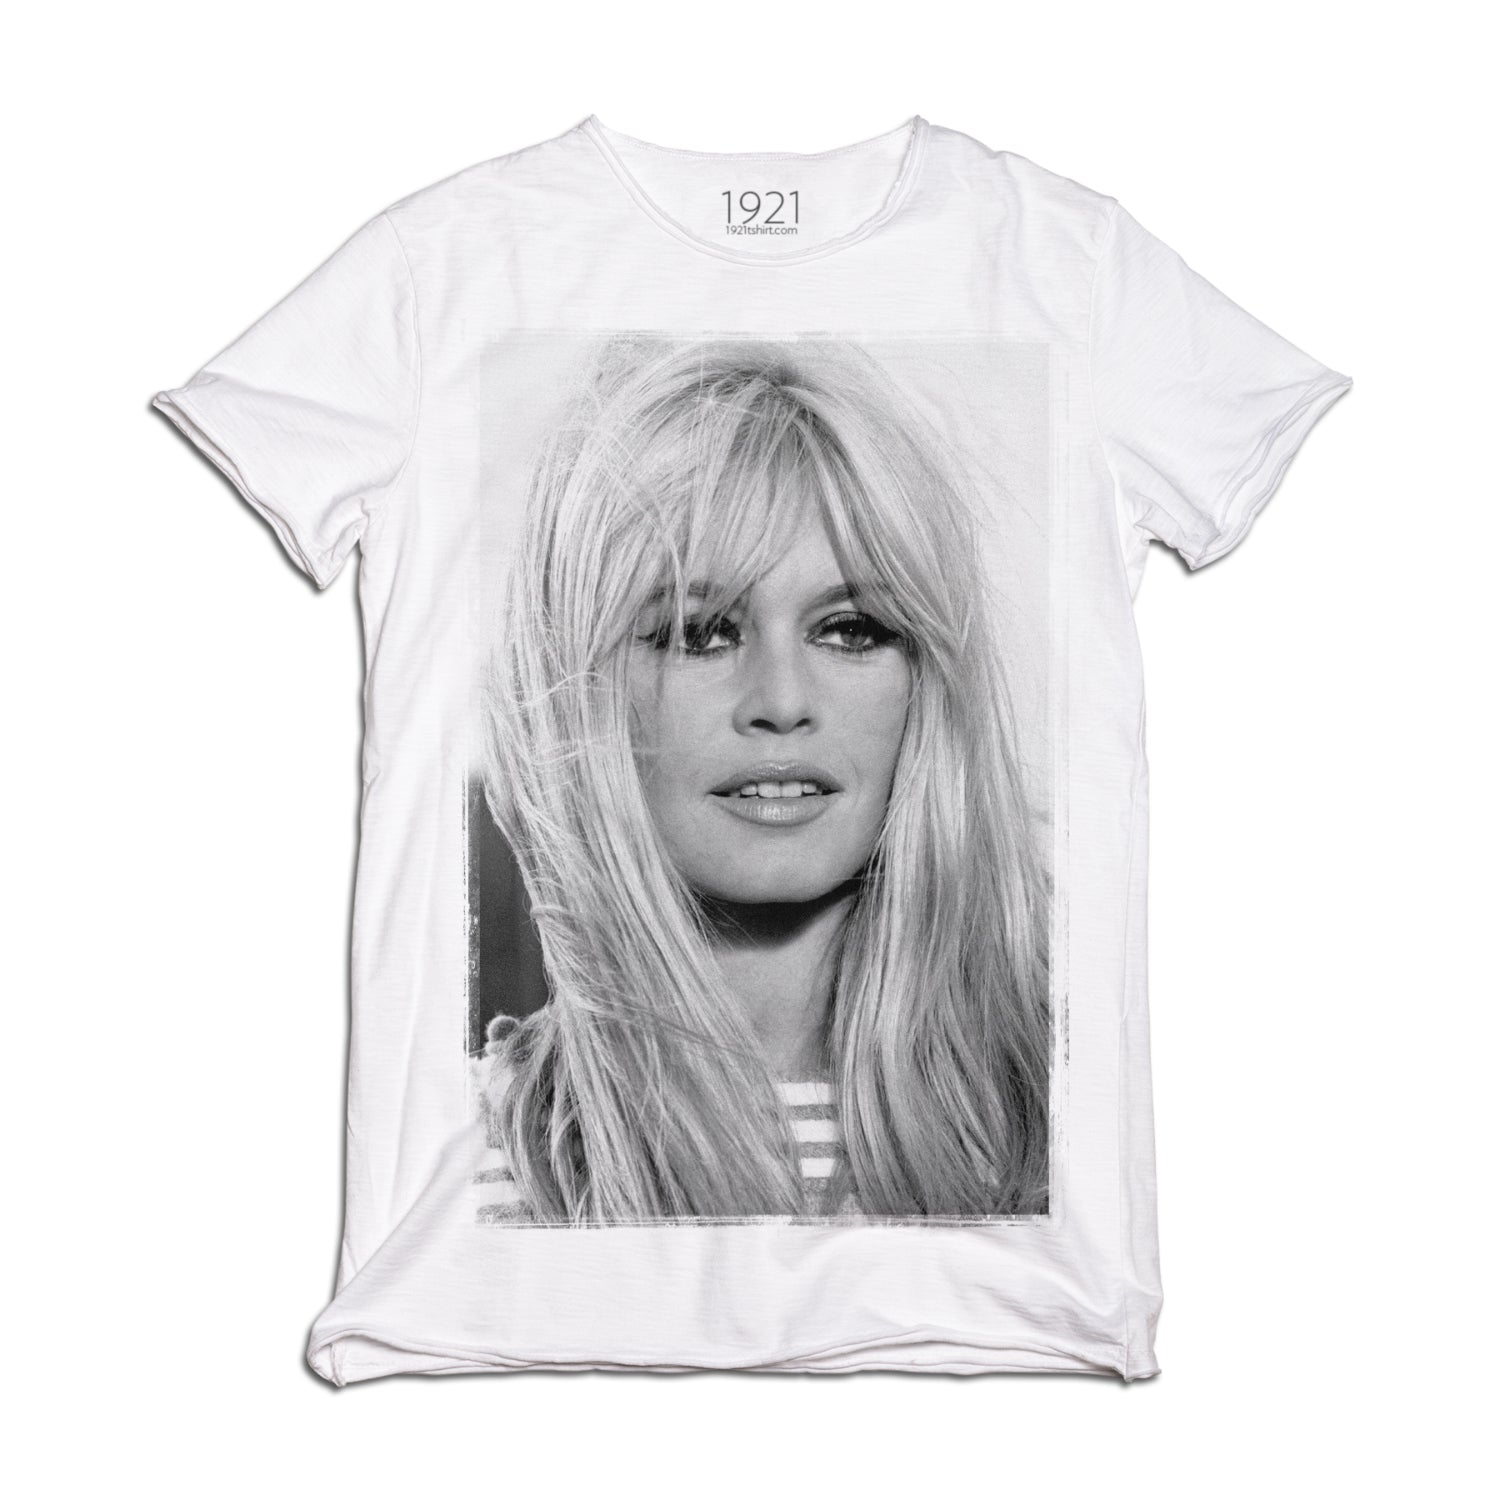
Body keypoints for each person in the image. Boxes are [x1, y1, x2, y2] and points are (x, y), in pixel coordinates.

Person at [471, 335, 1050, 1224]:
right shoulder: (461, 1161)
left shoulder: (1069, 1127)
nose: (782, 702)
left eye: (850, 629)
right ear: (580, 691)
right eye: (700, 633)